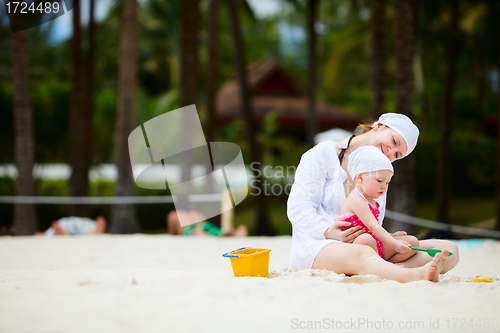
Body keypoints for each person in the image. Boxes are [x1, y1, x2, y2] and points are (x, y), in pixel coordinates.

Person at [287, 113, 459, 283]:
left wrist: (387, 237)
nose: (390, 152)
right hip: (319, 245)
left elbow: (371, 221)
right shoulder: (321, 154)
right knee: (364, 253)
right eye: (393, 141)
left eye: (397, 155)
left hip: (362, 244)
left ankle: (383, 270)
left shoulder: (381, 171)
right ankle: (411, 274)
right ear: (378, 126)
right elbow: (298, 209)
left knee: (449, 249)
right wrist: (328, 230)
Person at [337, 146, 419, 262]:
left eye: (387, 182)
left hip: (374, 245)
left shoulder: (371, 199)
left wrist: (389, 236)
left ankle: (386, 264)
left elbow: (373, 229)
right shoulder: (356, 198)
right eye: (380, 180)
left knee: (412, 242)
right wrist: (394, 243)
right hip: (355, 249)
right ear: (360, 177)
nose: (384, 186)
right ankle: (378, 266)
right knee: (366, 239)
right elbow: (373, 227)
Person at [167, 210, 247, 237]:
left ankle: (199, 233)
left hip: (190, 228)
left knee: (194, 232)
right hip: (205, 225)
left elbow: (172, 233)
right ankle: (232, 232)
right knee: (216, 232)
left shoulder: (173, 214)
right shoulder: (195, 212)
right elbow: (205, 221)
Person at [36, 216, 107, 236]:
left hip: (69, 223)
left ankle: (62, 233)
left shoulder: (91, 223)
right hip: (67, 223)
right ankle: (61, 233)